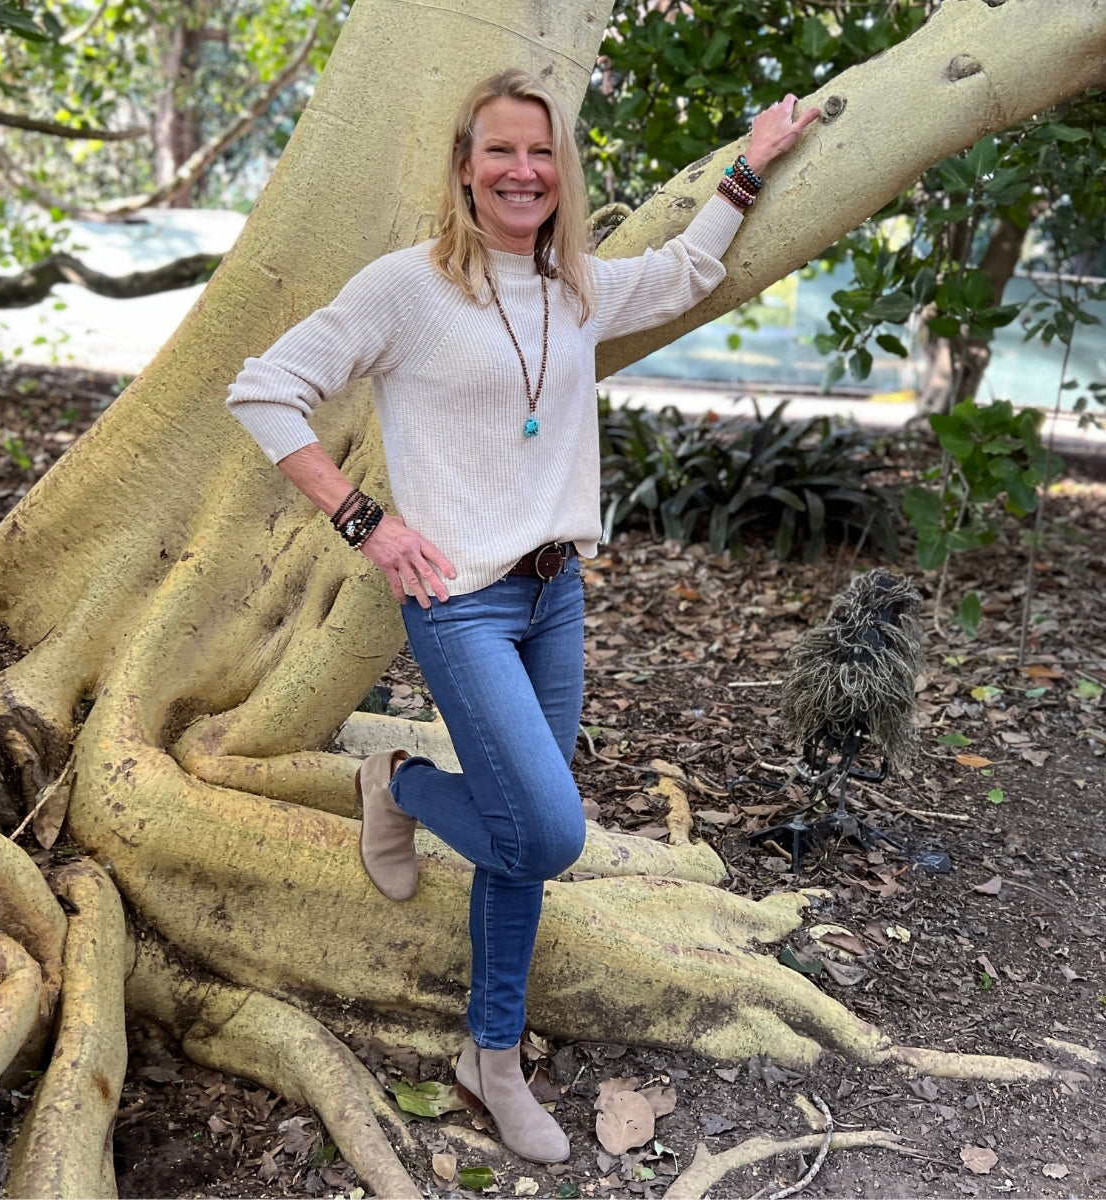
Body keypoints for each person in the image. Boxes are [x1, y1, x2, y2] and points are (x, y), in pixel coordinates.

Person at [227, 69, 820, 1163]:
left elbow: (688, 270)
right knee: (546, 833)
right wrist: (365, 520)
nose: (523, 171)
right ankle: (397, 784)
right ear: (464, 166)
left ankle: (488, 1060)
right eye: (500, 151)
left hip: (557, 597)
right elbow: (264, 388)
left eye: (542, 155)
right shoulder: (404, 289)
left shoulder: (574, 283)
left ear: (562, 173)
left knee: (514, 847)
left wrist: (749, 165)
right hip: (459, 604)